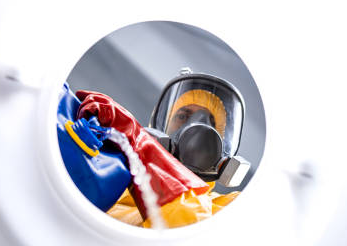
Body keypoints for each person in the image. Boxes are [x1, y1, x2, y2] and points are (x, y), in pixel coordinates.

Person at [106, 68, 251, 227]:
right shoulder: (113, 187)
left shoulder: (232, 207)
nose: (197, 133)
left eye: (210, 123)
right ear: (159, 131)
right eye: (182, 116)